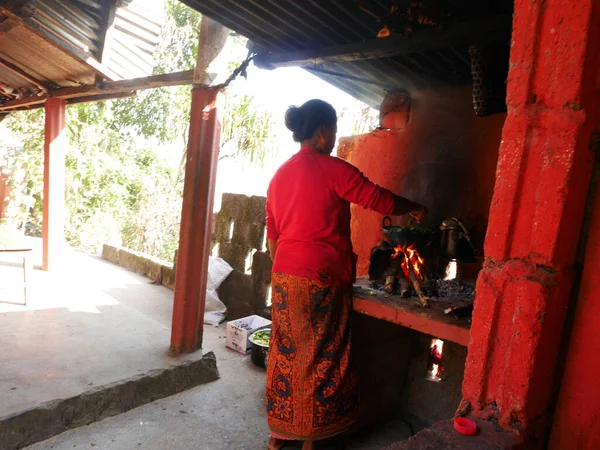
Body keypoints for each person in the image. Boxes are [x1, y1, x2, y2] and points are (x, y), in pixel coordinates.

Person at [265, 99, 426, 450]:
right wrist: (413, 208)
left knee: (287, 353)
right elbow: (378, 200)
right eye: (334, 130)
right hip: (321, 277)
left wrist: (286, 269)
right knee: (322, 358)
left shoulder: (280, 175)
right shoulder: (333, 169)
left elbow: (273, 232)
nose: (335, 137)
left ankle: (278, 437)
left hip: (284, 278)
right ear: (322, 131)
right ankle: (310, 441)